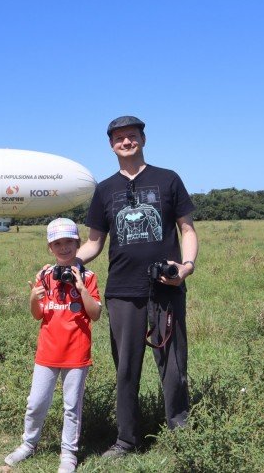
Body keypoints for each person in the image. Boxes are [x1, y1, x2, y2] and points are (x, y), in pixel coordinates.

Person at [76, 115, 199, 458]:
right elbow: (94, 242)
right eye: (119, 138)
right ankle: (126, 441)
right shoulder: (104, 189)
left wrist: (185, 267)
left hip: (166, 287)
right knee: (126, 367)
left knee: (173, 365)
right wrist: (70, 262)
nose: (126, 142)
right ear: (111, 144)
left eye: (132, 136)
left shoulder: (168, 179)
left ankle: (180, 437)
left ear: (143, 140)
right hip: (122, 291)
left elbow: (187, 230)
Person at [4, 218, 102, 473]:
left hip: (76, 353)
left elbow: (95, 314)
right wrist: (32, 298)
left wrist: (82, 290)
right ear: (50, 247)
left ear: (77, 243)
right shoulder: (45, 275)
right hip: (47, 352)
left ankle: (68, 454)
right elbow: (38, 315)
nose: (63, 248)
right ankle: (28, 444)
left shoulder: (89, 277)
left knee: (72, 407)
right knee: (36, 402)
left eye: (68, 242)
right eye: (57, 243)